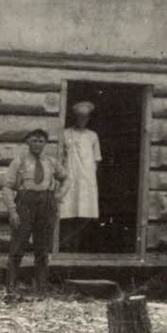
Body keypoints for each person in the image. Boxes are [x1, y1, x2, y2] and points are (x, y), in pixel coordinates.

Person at [2, 128, 67, 293]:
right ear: (27, 142)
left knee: (43, 248)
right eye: (34, 140)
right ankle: (10, 288)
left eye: (41, 141)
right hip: (25, 203)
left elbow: (66, 178)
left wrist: (58, 196)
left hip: (46, 204)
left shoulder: (51, 162)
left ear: (45, 143)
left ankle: (41, 289)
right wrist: (12, 210)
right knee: (17, 247)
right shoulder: (19, 161)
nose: (37, 144)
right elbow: (7, 186)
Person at [57, 100, 102, 251]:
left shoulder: (93, 136)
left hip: (86, 179)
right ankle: (65, 247)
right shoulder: (65, 133)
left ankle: (77, 248)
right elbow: (60, 158)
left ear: (89, 118)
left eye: (86, 117)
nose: (82, 119)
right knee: (67, 212)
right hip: (69, 176)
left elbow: (96, 160)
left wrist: (89, 178)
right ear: (75, 117)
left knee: (84, 213)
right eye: (79, 116)